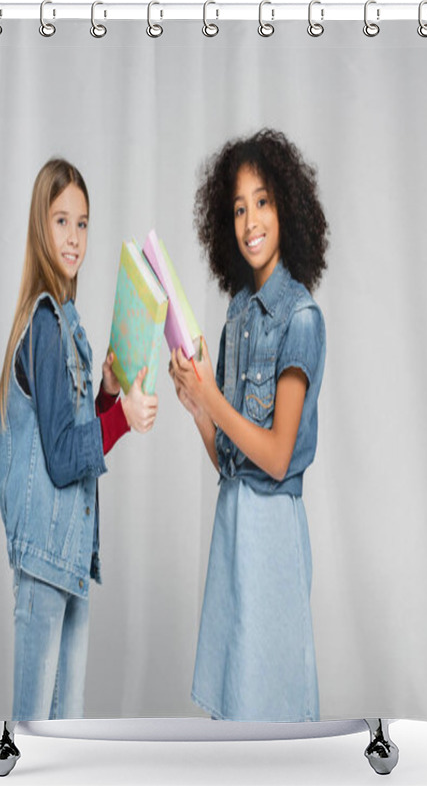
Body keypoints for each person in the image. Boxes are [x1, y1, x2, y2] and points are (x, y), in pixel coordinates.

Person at [169, 129, 329, 721]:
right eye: (238, 208)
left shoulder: (301, 319)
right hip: (234, 520)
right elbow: (233, 460)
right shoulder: (238, 312)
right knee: (233, 711)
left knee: (271, 707)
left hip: (271, 534)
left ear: (287, 207)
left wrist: (212, 397)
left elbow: (278, 456)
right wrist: (198, 409)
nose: (250, 220)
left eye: (262, 201)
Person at [0, 158, 158, 720]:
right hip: (45, 560)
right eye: (61, 221)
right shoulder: (42, 324)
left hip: (67, 558)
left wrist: (109, 396)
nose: (74, 237)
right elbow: (64, 459)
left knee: (67, 732)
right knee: (38, 733)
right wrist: (124, 419)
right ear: (41, 225)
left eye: (83, 223)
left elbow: (69, 432)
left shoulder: (65, 320)